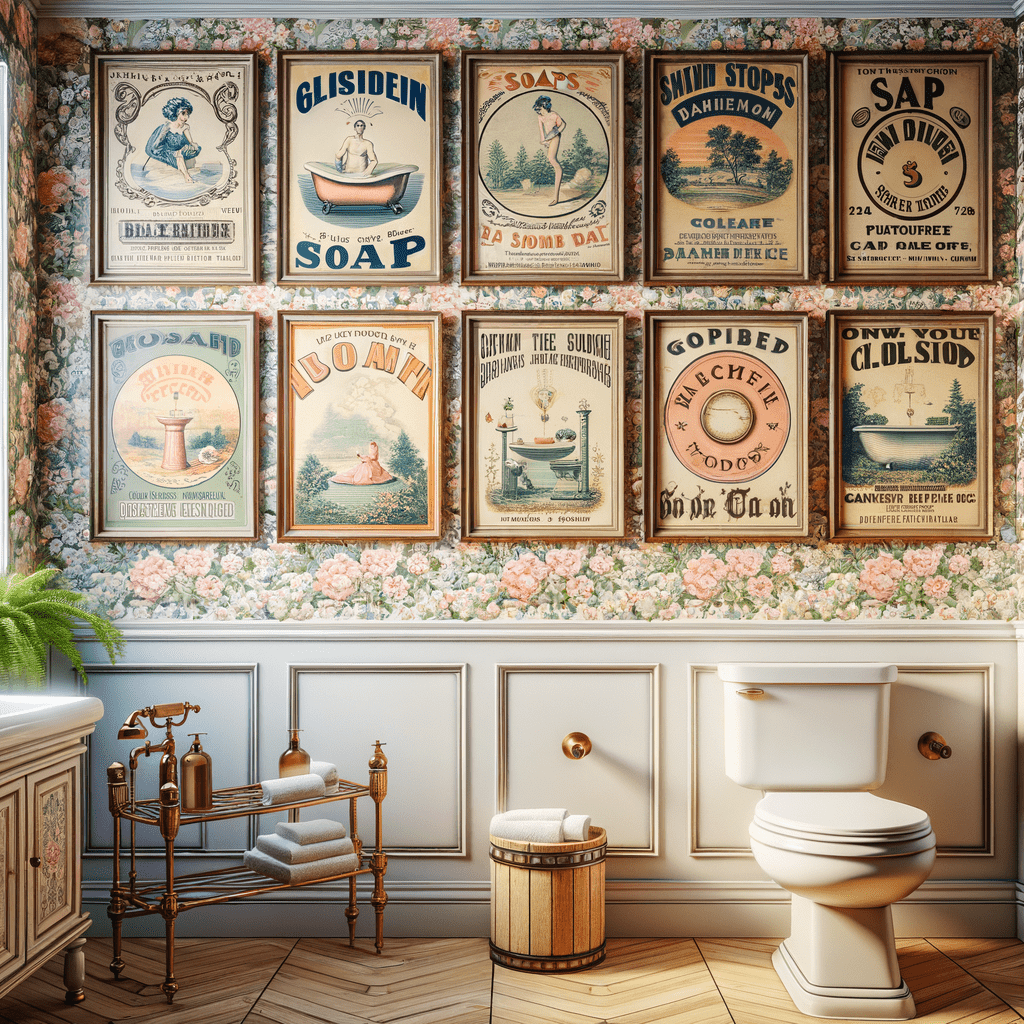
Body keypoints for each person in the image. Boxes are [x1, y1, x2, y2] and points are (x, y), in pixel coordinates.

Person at [144, 97, 201, 184]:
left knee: (187, 152)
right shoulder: (166, 128)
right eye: (183, 113)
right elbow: (155, 146)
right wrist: (173, 152)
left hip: (179, 153)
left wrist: (191, 145)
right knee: (179, 155)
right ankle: (187, 177)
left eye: (187, 114)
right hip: (165, 153)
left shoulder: (185, 128)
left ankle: (187, 175)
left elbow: (191, 143)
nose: (186, 117)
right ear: (175, 113)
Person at [533, 95, 566, 206]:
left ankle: (556, 197)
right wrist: (543, 141)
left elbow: (563, 125)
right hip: (549, 138)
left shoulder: (554, 115)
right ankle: (558, 171)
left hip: (555, 137)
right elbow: (541, 130)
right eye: (537, 109)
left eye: (540, 109)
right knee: (552, 160)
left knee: (552, 159)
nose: (539, 111)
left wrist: (556, 132)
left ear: (545, 106)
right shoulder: (540, 117)